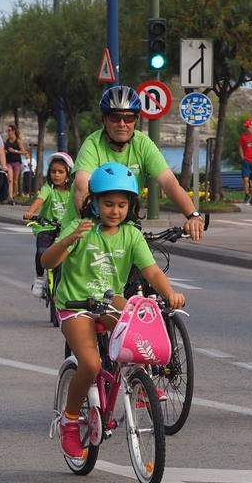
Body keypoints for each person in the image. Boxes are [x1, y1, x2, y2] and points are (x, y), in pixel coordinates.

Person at [41, 163, 185, 459]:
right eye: (108, 203)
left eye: (122, 204)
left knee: (139, 323)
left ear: (131, 205)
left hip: (109, 300)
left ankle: (140, 382)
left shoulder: (131, 235)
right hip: (75, 305)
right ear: (93, 202)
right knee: (91, 364)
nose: (115, 211)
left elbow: (152, 272)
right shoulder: (79, 227)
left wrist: (169, 294)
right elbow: (48, 261)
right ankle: (70, 421)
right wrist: (69, 240)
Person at [72, 85, 205, 241]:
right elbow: (82, 188)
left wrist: (194, 216)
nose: (122, 123)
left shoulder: (143, 144)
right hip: (86, 228)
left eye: (129, 118)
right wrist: (96, 225)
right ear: (104, 119)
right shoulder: (92, 144)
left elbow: (170, 183)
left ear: (136, 120)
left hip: (125, 227)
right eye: (115, 117)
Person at [23, 151, 75, 297]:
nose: (56, 175)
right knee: (41, 252)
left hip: (66, 229)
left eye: (60, 172)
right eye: (53, 172)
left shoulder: (73, 190)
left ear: (68, 173)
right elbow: (39, 200)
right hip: (46, 227)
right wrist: (30, 212)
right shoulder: (48, 188)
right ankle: (40, 278)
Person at [3, 123, 29, 203]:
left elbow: (24, 152)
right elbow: (3, 151)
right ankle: (10, 197)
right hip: (8, 162)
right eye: (7, 130)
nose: (8, 132)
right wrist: (5, 152)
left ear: (13, 131)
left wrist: (15, 151)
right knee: (10, 179)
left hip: (17, 163)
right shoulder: (7, 141)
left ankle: (14, 195)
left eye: (9, 130)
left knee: (15, 181)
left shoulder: (18, 141)